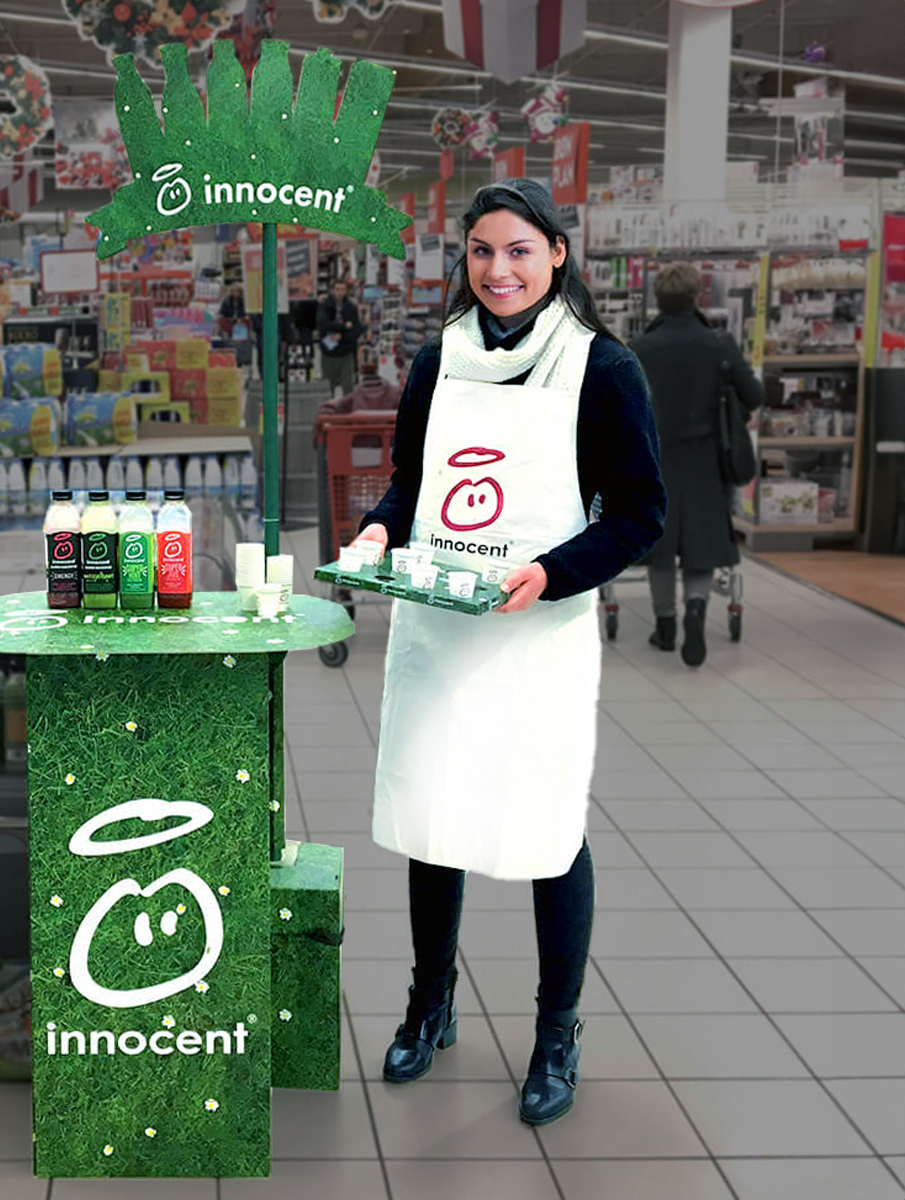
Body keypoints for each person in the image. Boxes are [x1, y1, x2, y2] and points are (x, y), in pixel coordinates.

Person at [353, 180, 665, 1127]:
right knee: (432, 818)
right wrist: (375, 531)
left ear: (557, 255)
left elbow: (642, 515)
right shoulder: (436, 361)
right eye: (483, 252)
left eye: (520, 251)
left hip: (537, 632)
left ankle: (556, 1029)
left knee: (544, 832)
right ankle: (430, 1000)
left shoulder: (602, 368)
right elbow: (411, 483)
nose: (499, 271)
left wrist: (551, 571)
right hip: (441, 624)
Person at [631, 262, 763, 667]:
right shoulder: (718, 344)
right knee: (701, 544)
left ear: (658, 301)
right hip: (706, 459)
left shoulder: (639, 348)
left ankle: (665, 625)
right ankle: (696, 610)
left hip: (654, 461)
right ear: (696, 298)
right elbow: (753, 394)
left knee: (660, 544)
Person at [316, 279, 364, 396]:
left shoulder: (350, 307)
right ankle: (328, 412)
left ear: (346, 291)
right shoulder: (325, 305)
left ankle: (348, 412)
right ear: (332, 290)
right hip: (329, 353)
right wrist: (343, 326)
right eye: (337, 289)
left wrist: (341, 335)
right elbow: (322, 324)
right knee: (328, 388)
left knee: (348, 387)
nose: (340, 293)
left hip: (346, 353)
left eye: (342, 290)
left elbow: (357, 329)